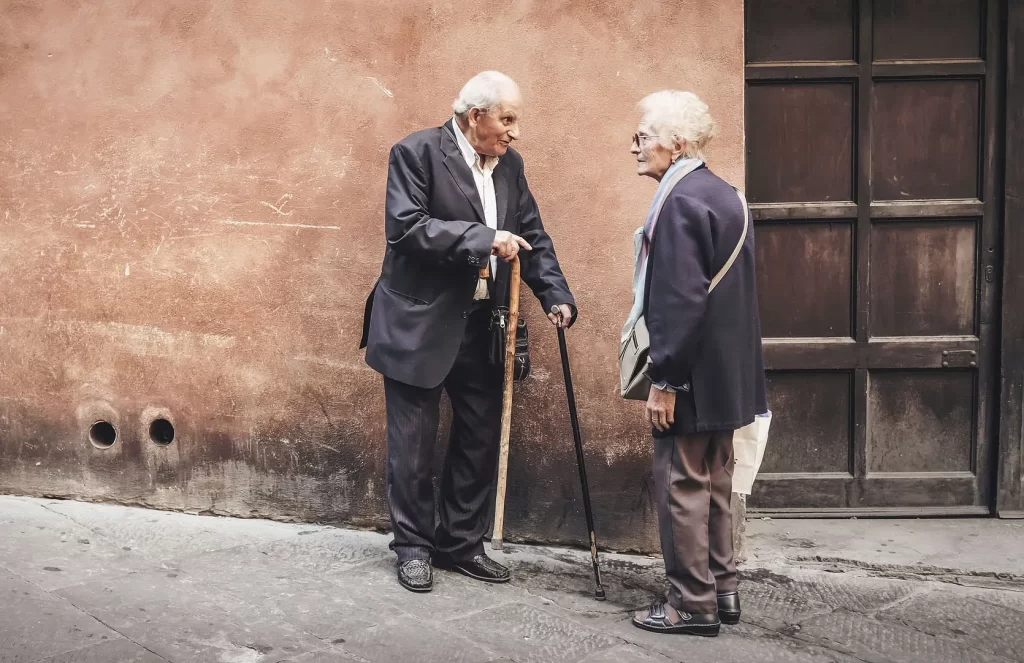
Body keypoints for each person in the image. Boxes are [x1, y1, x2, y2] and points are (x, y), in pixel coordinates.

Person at [359, 71, 577, 593]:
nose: (514, 131)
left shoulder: (511, 166)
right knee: (411, 446)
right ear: (474, 115)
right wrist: (484, 238)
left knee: (479, 439)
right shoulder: (415, 153)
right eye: (507, 119)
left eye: (515, 120)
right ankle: (413, 547)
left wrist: (556, 295)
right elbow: (407, 228)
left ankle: (460, 543)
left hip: (484, 325)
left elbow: (532, 235)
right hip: (418, 323)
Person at [624, 91, 767, 636]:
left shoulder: (679, 200)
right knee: (715, 482)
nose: (634, 146)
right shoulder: (726, 194)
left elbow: (680, 300)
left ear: (676, 143)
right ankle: (723, 590)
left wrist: (665, 380)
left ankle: (690, 604)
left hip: (690, 376)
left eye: (643, 136)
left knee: (682, 484)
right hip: (726, 375)